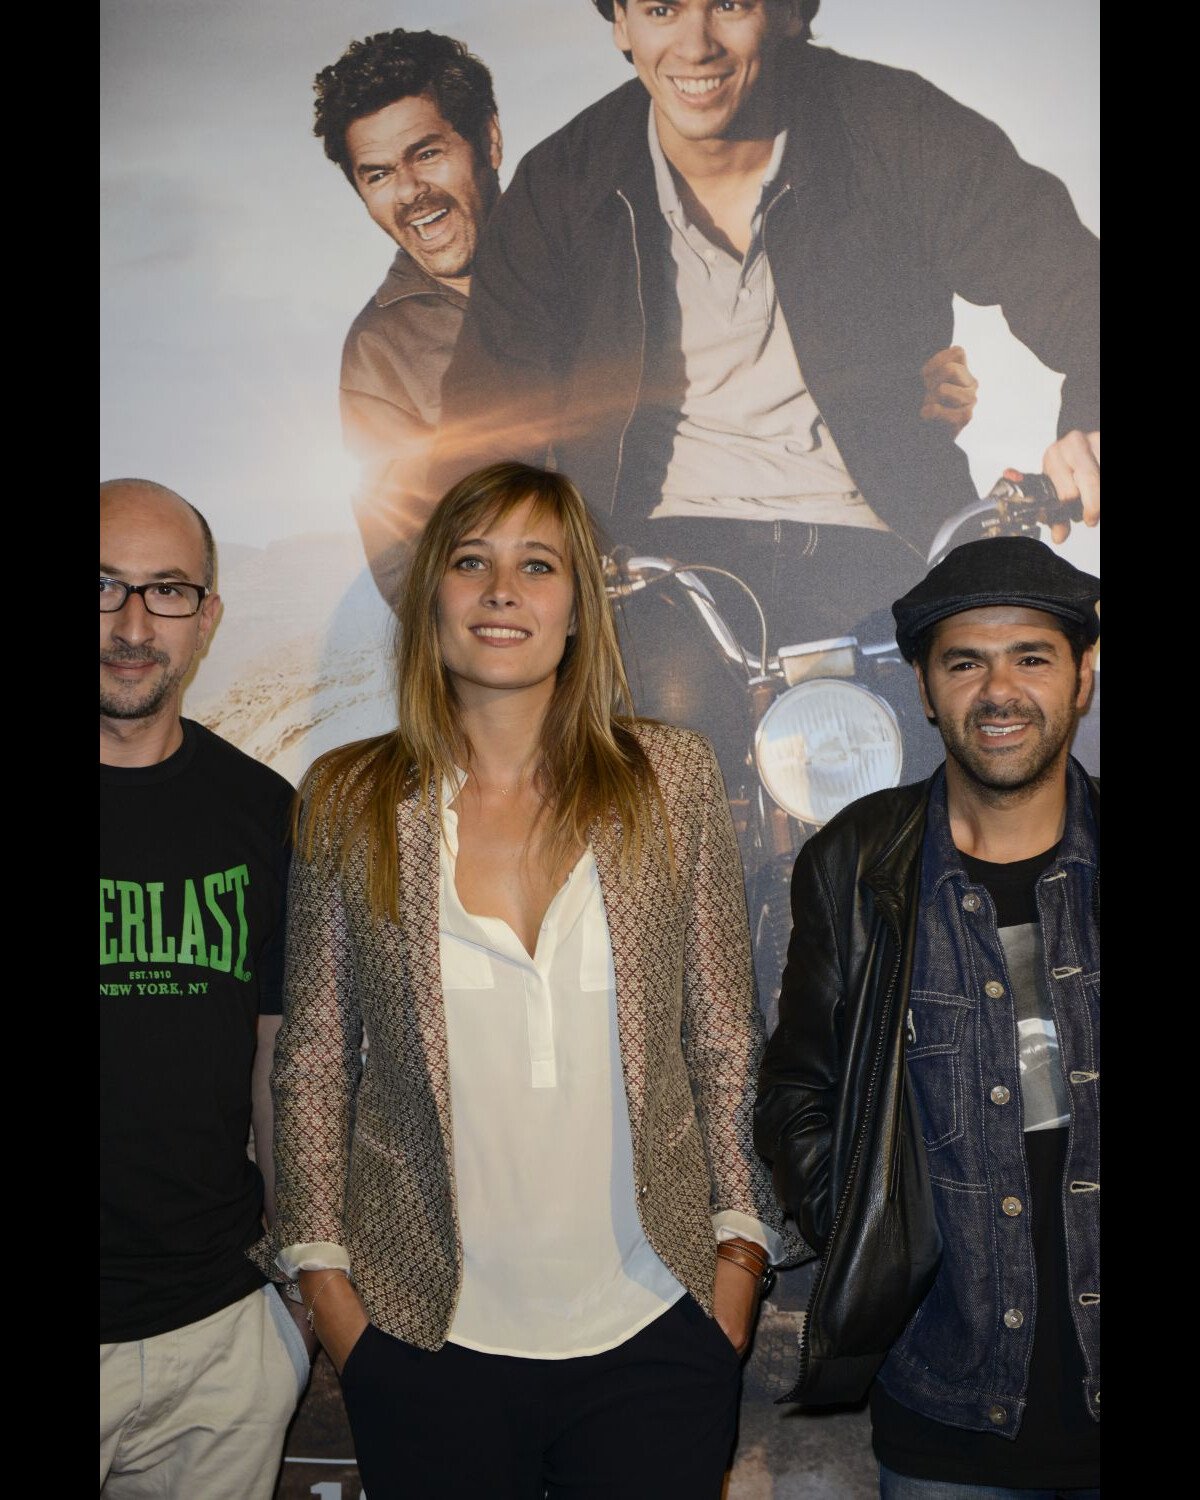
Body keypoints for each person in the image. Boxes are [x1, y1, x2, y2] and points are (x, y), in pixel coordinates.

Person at [270, 460, 798, 1497]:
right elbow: (317, 1061)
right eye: (472, 562)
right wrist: (330, 1288)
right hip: (422, 1340)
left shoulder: (670, 778)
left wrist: (738, 1260)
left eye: (536, 564)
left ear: (578, 607)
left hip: (658, 1329)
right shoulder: (351, 796)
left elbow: (727, 1039)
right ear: (432, 602)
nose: (502, 589)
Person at [432, 0, 1097, 657]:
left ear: (790, 12)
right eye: (662, 8)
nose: (695, 45)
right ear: (621, 24)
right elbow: (486, 420)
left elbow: (1072, 283)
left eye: (729, 3)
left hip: (893, 539)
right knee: (660, 739)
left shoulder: (897, 127)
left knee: (1026, 700)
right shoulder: (564, 181)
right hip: (650, 568)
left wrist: (1090, 424)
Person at [754, 535, 1100, 1497]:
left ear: (1084, 677)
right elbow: (795, 1091)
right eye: (964, 662)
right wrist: (873, 1228)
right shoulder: (858, 865)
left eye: (1031, 656)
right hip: (947, 1418)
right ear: (923, 686)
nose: (998, 690)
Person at [100, 480, 311, 1495]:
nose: (133, 624)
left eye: (167, 591)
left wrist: (292, 1259)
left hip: (216, 1340)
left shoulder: (264, 814)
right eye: (102, 586)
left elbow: (279, 1059)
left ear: (208, 617)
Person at [312, 28, 503, 604]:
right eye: (378, 174)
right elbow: (406, 567)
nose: (411, 192)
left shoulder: (596, 251)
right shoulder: (377, 349)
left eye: (427, 153)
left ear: (488, 141)